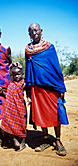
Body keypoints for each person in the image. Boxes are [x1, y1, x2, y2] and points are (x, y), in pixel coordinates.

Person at [25, 23, 68, 156]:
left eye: (36, 30)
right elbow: (28, 69)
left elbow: (55, 66)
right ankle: (45, 139)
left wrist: (61, 86)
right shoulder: (28, 49)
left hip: (51, 85)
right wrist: (28, 90)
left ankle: (58, 140)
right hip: (37, 87)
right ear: (29, 34)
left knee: (55, 113)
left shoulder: (49, 47)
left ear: (41, 31)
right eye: (31, 31)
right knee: (41, 113)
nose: (34, 33)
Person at [0, 62, 27, 151]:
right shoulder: (11, 85)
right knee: (9, 122)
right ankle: (14, 139)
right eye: (14, 75)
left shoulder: (24, 83)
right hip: (11, 108)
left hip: (21, 107)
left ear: (22, 74)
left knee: (22, 123)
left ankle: (23, 142)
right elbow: (8, 95)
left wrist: (21, 67)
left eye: (19, 74)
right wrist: (2, 92)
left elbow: (30, 81)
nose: (16, 76)